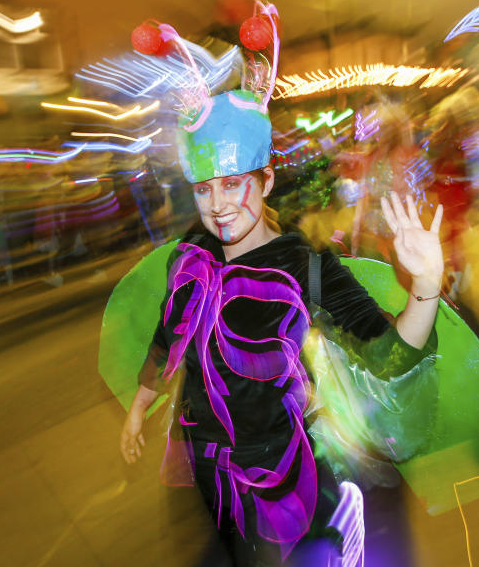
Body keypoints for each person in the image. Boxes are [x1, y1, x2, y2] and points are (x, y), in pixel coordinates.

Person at [118, 85, 445, 565]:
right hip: (206, 468)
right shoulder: (193, 254)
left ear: (266, 180)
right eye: (204, 188)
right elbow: (170, 334)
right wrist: (141, 400)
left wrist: (427, 283)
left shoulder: (305, 266)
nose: (217, 205)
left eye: (232, 183)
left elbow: (391, 352)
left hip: (283, 476)